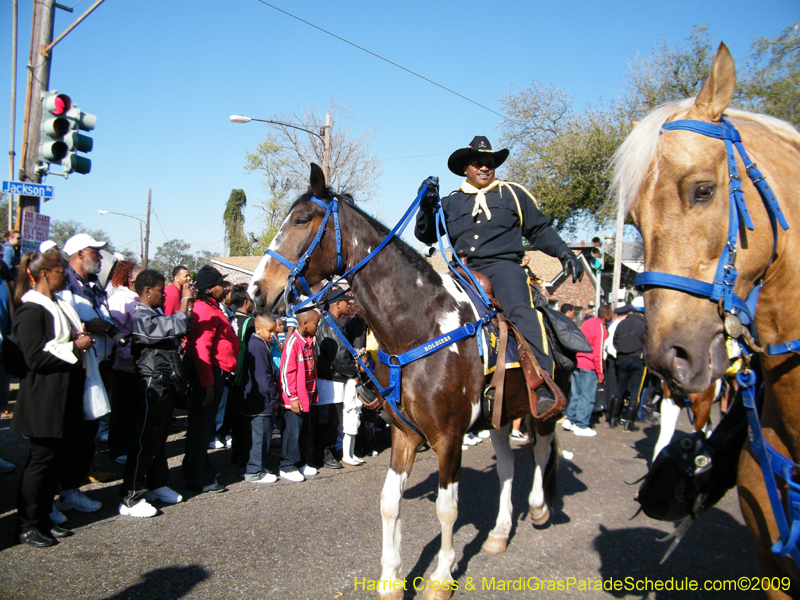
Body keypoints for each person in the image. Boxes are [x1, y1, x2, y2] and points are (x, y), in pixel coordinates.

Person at [415, 136, 584, 413]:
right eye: (478, 163)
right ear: (466, 168)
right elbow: (426, 234)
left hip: (504, 266)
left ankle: (541, 385)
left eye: (490, 163)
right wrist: (427, 205)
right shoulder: (450, 203)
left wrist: (564, 252)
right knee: (428, 311)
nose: (485, 168)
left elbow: (539, 230)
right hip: (462, 271)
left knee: (521, 310)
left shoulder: (513, 194)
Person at [11, 250, 93, 546]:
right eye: (60, 270)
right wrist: (74, 344)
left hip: (65, 396)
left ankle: (45, 516)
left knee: (56, 461)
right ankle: (28, 524)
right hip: (44, 399)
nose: (65, 275)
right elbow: (34, 357)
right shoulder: (32, 309)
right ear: (45, 273)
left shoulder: (56, 304)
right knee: (40, 463)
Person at [119, 269, 194, 517]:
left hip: (165, 384)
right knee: (144, 439)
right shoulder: (140, 315)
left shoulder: (155, 312)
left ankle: (156, 483)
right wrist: (184, 300)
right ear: (147, 291)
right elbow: (178, 324)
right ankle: (131, 496)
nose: (164, 295)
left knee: (159, 439)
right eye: (161, 291)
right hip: (151, 385)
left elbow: (181, 325)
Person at [54, 233, 116, 515]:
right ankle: (57, 494)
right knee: (70, 435)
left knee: (86, 433)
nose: (100, 258)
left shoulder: (90, 285)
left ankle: (71, 488)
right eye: (95, 252)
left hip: (96, 366)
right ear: (79, 254)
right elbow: (62, 324)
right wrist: (91, 326)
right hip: (73, 369)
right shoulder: (63, 283)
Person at [182, 265, 239, 493]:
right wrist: (207, 385)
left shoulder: (211, 307)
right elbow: (200, 349)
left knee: (203, 426)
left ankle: (198, 468)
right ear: (209, 288)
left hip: (215, 371)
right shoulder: (203, 310)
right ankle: (197, 478)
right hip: (206, 372)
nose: (222, 287)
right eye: (218, 284)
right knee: (201, 427)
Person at [314, 286, 360, 469]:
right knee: (327, 419)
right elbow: (339, 357)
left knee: (332, 419)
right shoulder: (330, 325)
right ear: (338, 304)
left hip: (333, 378)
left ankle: (328, 451)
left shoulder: (332, 322)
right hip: (330, 380)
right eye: (347, 303)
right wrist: (353, 372)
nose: (349, 306)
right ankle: (324, 454)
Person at [279, 309, 320, 482]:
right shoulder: (293, 342)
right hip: (294, 400)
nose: (317, 327)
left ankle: (302, 462)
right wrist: (293, 397)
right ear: (304, 324)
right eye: (315, 324)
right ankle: (287, 465)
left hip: (306, 398)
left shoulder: (308, 341)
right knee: (292, 433)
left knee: (303, 432)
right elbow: (286, 372)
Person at [107, 262, 142, 464]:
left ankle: (131, 443)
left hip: (138, 363)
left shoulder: (138, 298)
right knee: (122, 407)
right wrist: (128, 353)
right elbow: (117, 332)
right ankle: (118, 447)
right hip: (124, 363)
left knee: (134, 409)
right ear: (130, 280)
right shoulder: (119, 300)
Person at [241, 314, 280, 483]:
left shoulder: (260, 343)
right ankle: (254, 471)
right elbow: (263, 378)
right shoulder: (257, 346)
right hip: (261, 401)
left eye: (274, 330)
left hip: (258, 399)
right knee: (260, 437)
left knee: (260, 436)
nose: (273, 334)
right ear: (258, 329)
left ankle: (258, 467)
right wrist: (274, 397)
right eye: (269, 331)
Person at [562, 305, 610, 437]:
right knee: (587, 395)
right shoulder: (600, 327)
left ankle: (571, 419)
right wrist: (600, 373)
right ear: (606, 315)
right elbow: (598, 351)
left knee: (576, 393)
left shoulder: (587, 323)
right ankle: (581, 424)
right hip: (589, 364)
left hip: (578, 361)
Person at [609, 296, 647, 431]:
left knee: (619, 388)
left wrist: (621, 351)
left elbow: (615, 340)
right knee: (635, 391)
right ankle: (629, 422)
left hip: (622, 359)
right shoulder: (645, 324)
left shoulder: (622, 323)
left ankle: (613, 419)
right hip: (637, 360)